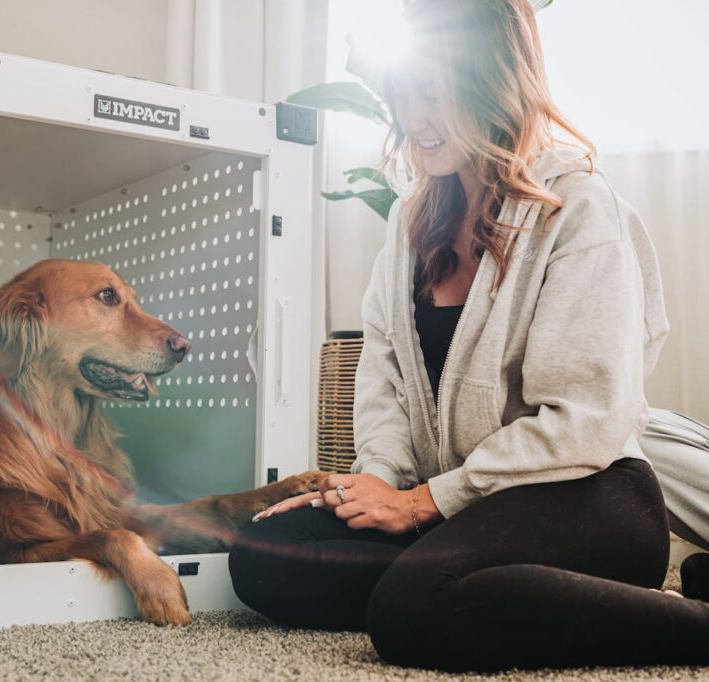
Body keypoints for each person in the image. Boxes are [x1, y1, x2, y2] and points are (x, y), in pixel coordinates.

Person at [228, 0, 709, 672]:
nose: (415, 118)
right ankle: (500, 590)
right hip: (465, 508)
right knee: (264, 556)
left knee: (410, 609)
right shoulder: (408, 223)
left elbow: (585, 421)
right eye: (404, 92)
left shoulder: (577, 209)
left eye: (435, 92)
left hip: (591, 498)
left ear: (495, 81)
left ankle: (691, 621)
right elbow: (386, 381)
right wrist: (377, 487)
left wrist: (425, 502)